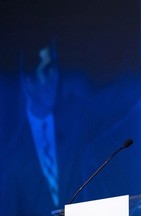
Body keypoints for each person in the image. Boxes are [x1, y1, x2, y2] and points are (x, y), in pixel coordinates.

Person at [0, 39, 95, 216]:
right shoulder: (10, 151)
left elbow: (112, 101)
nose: (54, 78)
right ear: (28, 82)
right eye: (46, 70)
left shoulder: (75, 121)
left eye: (55, 69)